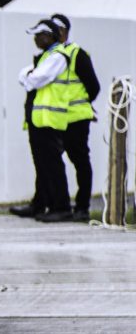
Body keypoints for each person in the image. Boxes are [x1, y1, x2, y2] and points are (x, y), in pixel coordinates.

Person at [16, 18, 73, 223]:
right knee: (42, 165)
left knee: (53, 165)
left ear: (49, 36)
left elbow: (35, 80)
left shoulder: (57, 56)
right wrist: (29, 76)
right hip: (39, 120)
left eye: (39, 35)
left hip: (50, 120)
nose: (36, 39)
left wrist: (29, 76)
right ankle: (43, 204)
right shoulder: (45, 56)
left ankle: (62, 207)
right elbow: (24, 75)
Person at [50, 13, 99, 221]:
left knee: (80, 160)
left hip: (77, 118)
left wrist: (82, 105)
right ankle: (59, 204)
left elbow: (94, 87)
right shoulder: (52, 55)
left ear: (64, 32)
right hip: (59, 118)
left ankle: (82, 207)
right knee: (56, 161)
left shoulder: (76, 54)